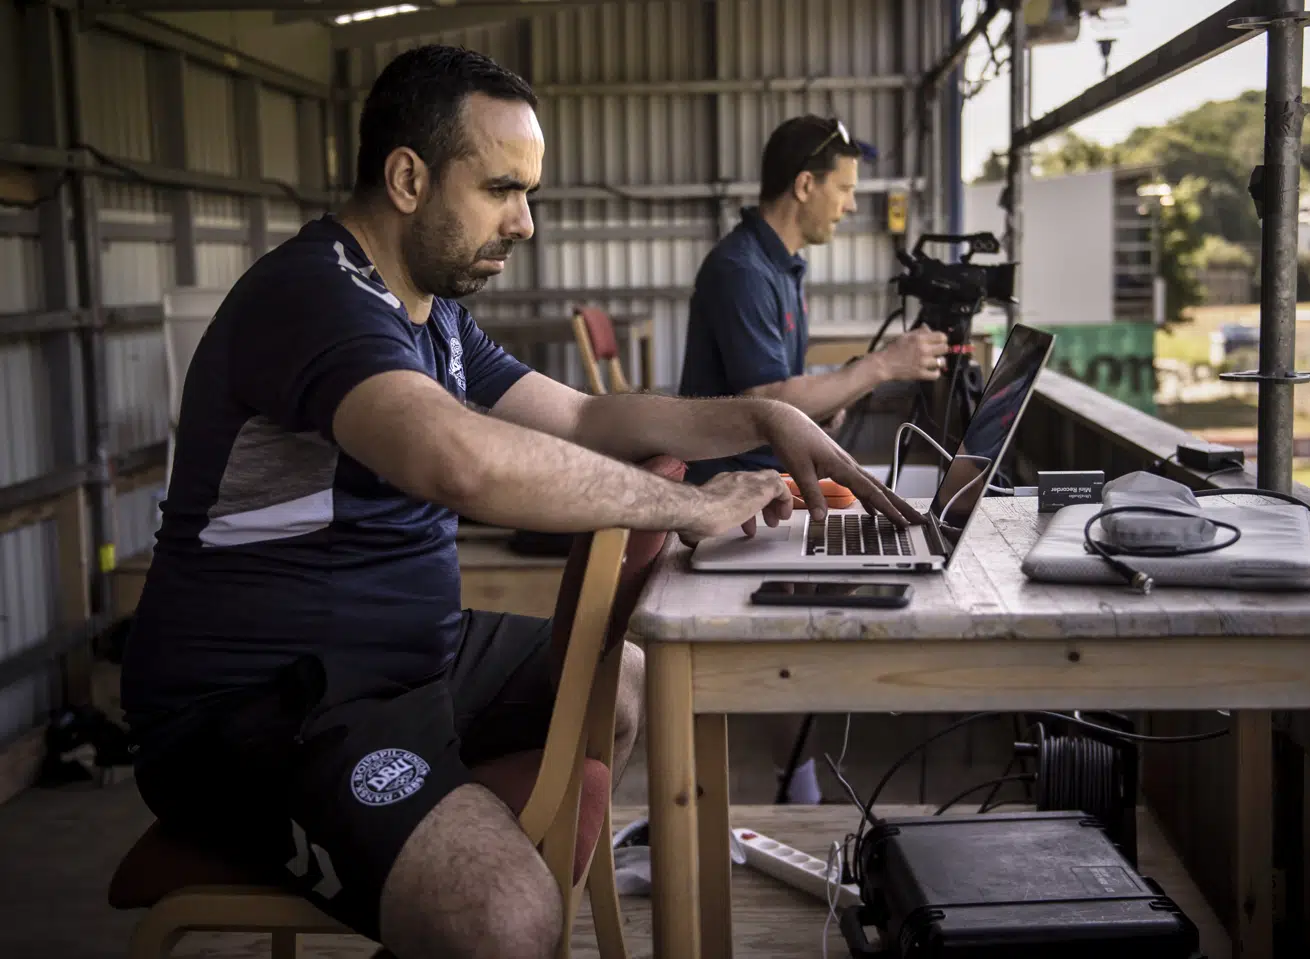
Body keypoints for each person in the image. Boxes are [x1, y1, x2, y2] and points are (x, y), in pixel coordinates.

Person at [120, 46, 919, 959]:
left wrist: (762, 414)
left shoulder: (431, 312)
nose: (526, 222)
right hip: (261, 703)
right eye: (503, 188)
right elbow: (455, 460)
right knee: (505, 916)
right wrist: (685, 506)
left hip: (407, 658)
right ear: (409, 177)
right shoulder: (313, 295)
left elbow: (583, 413)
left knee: (626, 685)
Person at [675, 114, 951, 804]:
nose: (853, 203)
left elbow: (787, 402)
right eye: (845, 187)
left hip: (768, 481)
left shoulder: (782, 267)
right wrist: (882, 364)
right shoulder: (741, 269)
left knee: (888, 527)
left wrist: (829, 405)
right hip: (728, 497)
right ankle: (801, 792)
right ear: (804, 185)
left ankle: (800, 784)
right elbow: (767, 396)